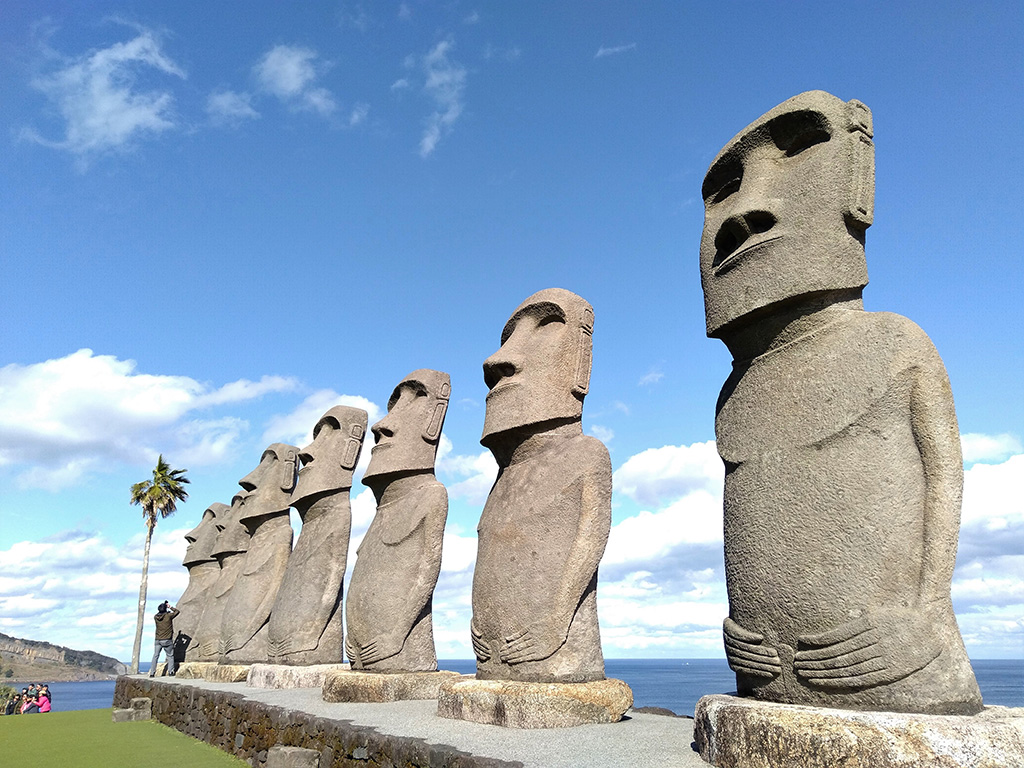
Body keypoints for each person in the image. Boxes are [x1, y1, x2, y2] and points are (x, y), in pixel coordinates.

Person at [151, 600, 180, 676]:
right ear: (165, 609)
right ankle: (171, 672)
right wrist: (170, 607)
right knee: (170, 656)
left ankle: (152, 673)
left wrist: (165, 607)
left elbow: (161, 614)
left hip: (157, 640)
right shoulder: (168, 616)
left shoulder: (155, 617)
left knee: (155, 656)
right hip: (167, 639)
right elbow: (177, 611)